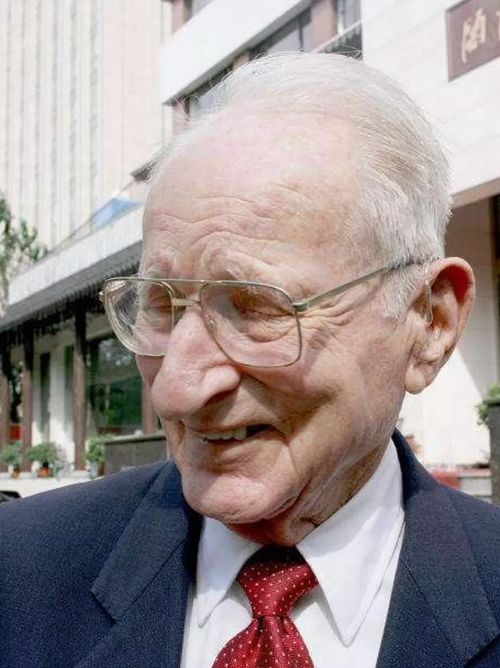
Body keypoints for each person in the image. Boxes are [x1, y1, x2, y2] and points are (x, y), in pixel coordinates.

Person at [1, 52, 499, 668]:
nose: (176, 388)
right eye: (159, 304)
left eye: (256, 307)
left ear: (429, 323)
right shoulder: (17, 572)